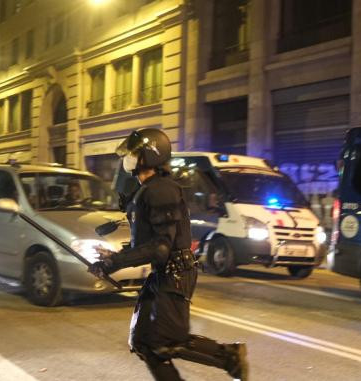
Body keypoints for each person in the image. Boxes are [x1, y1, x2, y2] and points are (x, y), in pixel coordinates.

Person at [88, 128, 248, 381]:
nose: (127, 158)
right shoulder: (149, 189)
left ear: (149, 156)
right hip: (164, 273)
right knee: (144, 341)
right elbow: (150, 243)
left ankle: (229, 355)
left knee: (165, 342)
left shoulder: (161, 190)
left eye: (133, 153)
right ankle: (228, 355)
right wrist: (115, 255)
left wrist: (113, 263)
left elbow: (161, 248)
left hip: (175, 274)